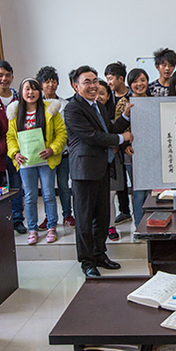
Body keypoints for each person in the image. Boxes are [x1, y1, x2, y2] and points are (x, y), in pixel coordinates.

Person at [64, 66, 133, 276]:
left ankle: (99, 253)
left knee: (102, 217)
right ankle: (87, 262)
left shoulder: (99, 106)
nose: (93, 86)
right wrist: (123, 138)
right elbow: (92, 136)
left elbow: (108, 131)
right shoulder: (72, 108)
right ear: (76, 86)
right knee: (84, 218)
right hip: (84, 171)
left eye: (95, 81)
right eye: (87, 82)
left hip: (103, 168)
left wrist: (126, 118)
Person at [6, 78, 67, 245]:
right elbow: (10, 137)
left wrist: (52, 149)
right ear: (21, 92)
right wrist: (14, 153)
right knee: (30, 196)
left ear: (39, 92)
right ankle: (32, 229)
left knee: (48, 195)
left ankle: (52, 227)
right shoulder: (15, 111)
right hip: (26, 162)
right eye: (27, 89)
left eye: (34, 89)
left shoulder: (50, 109)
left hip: (46, 161)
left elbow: (61, 133)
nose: (30, 92)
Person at [0, 60, 27, 234]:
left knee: (16, 185)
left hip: (16, 148)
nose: (4, 79)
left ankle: (17, 219)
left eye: (7, 75)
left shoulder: (19, 97)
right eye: (0, 75)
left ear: (12, 77)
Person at [36, 66, 75, 228]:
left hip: (64, 153)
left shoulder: (65, 104)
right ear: (40, 85)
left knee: (64, 185)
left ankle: (67, 214)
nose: (51, 85)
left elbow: (68, 130)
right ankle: (49, 217)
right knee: (48, 187)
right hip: (45, 155)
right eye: (47, 82)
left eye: (54, 82)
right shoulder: (36, 106)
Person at [116, 68, 150, 227]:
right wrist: (124, 146)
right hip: (132, 152)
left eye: (142, 80)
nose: (139, 84)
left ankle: (151, 224)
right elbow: (118, 127)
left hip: (150, 153)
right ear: (130, 84)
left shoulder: (152, 101)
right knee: (138, 191)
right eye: (135, 81)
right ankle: (139, 226)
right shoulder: (124, 102)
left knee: (150, 190)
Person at [104, 62, 133, 225]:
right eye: (107, 79)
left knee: (133, 181)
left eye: (111, 79)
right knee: (120, 181)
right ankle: (124, 211)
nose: (109, 82)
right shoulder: (109, 97)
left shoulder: (132, 95)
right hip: (115, 145)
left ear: (121, 79)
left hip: (129, 144)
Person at [97, 79, 123, 242]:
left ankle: (111, 225)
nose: (99, 96)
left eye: (102, 93)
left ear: (108, 96)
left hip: (113, 161)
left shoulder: (113, 113)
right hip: (95, 161)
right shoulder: (88, 112)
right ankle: (100, 226)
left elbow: (117, 133)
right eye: (96, 92)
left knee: (111, 195)